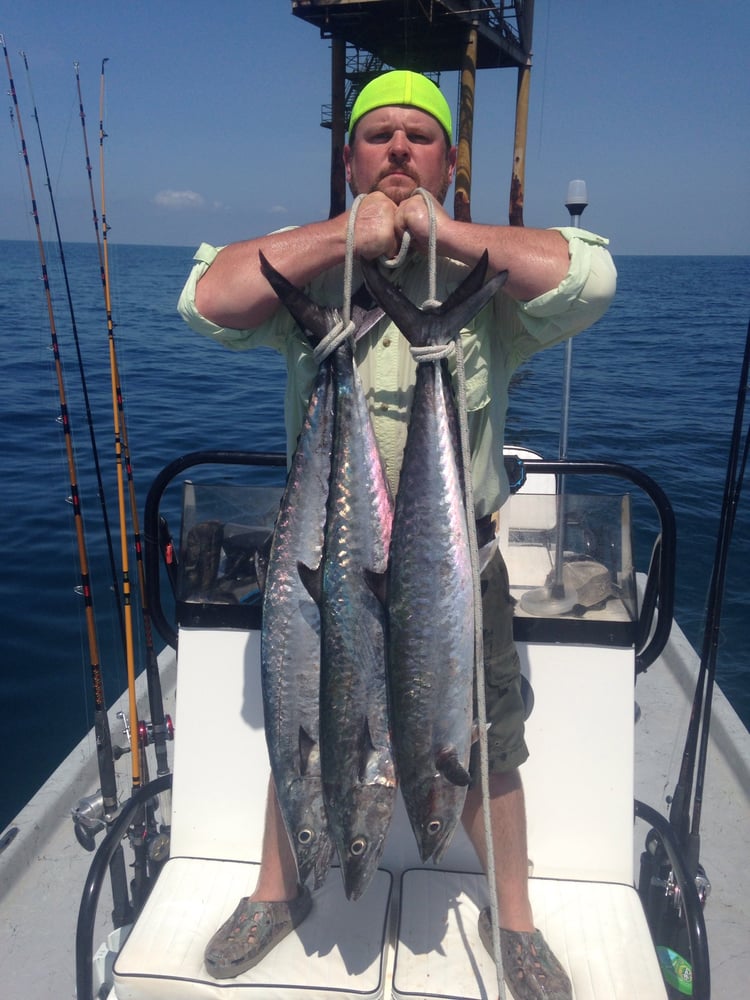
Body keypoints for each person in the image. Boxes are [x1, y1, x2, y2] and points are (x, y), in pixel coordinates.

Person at [178, 70, 616, 1000]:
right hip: (324, 570)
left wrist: (438, 235)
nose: (399, 151)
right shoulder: (310, 264)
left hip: (453, 566)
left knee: (486, 739)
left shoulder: (485, 283)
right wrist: (348, 240)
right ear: (349, 159)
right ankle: (273, 890)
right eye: (379, 136)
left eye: (422, 137)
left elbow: (594, 277)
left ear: (451, 163)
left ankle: (517, 922)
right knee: (307, 722)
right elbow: (207, 302)